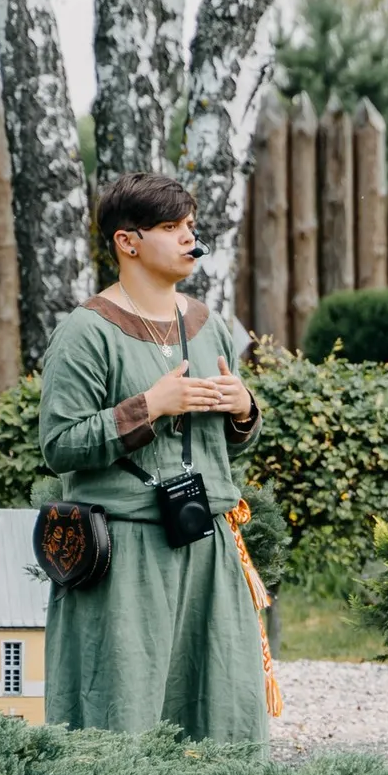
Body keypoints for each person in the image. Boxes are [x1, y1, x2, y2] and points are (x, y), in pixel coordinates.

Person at [38, 171, 276, 742]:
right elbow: (59, 445)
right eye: (170, 227)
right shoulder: (85, 332)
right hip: (126, 552)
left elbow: (227, 441)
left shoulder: (208, 325)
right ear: (128, 241)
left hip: (208, 541)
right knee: (123, 714)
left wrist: (244, 409)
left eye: (190, 226)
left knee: (222, 711)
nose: (188, 239)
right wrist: (150, 407)